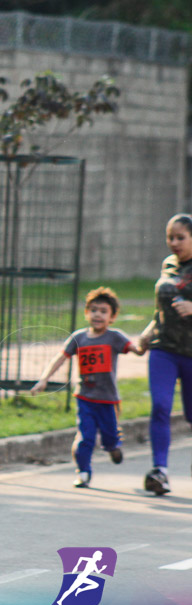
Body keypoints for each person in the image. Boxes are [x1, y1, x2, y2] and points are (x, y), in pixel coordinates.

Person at [31, 287, 143, 488]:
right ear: (86, 313)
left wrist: (143, 345)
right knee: (86, 436)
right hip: (85, 397)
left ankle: (113, 447)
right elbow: (61, 357)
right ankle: (83, 472)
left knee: (109, 437)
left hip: (108, 399)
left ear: (112, 316)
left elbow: (135, 349)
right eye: (93, 310)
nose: (97, 315)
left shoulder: (115, 337)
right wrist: (44, 378)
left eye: (103, 311)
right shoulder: (79, 338)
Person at [138, 213, 192, 496]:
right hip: (164, 350)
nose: (173, 243)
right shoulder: (168, 264)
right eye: (170, 237)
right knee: (160, 406)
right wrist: (148, 332)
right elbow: (162, 309)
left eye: (180, 237)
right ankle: (161, 471)